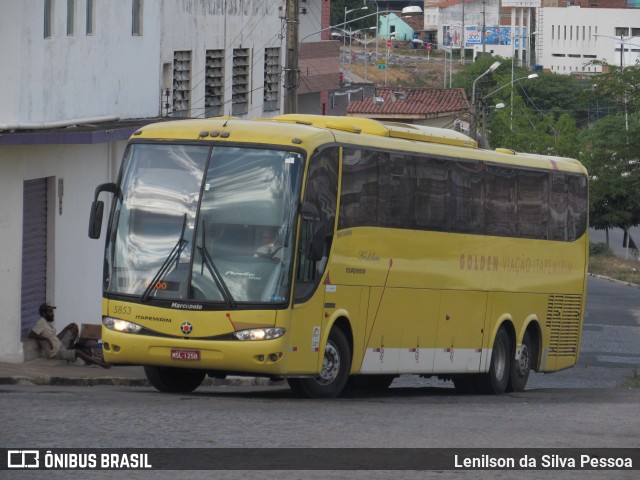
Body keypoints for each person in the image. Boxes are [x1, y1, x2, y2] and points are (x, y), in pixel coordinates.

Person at [29, 303, 111, 369]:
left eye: (53, 312)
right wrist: (46, 339)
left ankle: (73, 351)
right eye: (50, 312)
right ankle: (101, 364)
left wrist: (66, 328)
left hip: (60, 345)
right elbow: (31, 334)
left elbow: (56, 338)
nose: (52, 314)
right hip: (56, 353)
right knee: (78, 352)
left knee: (73, 328)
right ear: (44, 313)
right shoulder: (41, 322)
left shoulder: (48, 323)